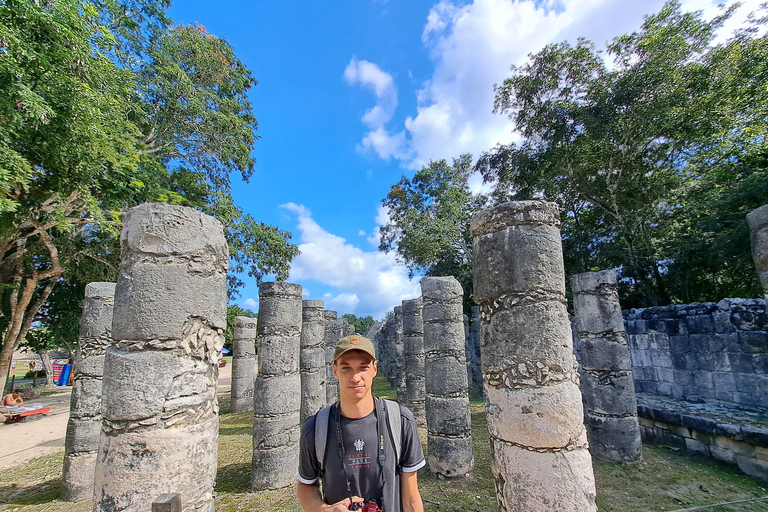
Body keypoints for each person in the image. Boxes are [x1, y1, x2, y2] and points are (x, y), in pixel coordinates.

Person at [297, 335, 425, 512]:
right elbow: (306, 485)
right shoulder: (315, 428)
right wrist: (326, 510)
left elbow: (411, 499)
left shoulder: (401, 421)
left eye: (363, 368)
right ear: (335, 371)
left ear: (375, 369)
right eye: (346, 368)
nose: (355, 377)